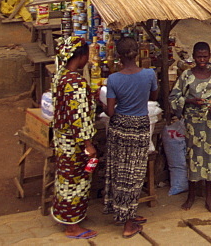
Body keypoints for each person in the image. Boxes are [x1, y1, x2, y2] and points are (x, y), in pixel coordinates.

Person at [104, 37, 158, 238]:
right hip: (140, 127)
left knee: (120, 172)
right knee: (134, 174)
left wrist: (102, 104)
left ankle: (126, 216)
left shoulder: (114, 79)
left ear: (118, 56)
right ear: (137, 53)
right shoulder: (149, 74)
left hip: (120, 127)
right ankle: (128, 219)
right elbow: (154, 96)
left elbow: (110, 112)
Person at [170, 42, 211, 214]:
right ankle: (192, 195)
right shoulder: (186, 75)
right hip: (193, 125)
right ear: (193, 57)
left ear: (209, 56)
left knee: (209, 160)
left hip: (210, 124)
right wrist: (188, 101)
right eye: (198, 57)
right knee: (192, 159)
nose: (202, 60)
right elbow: (173, 97)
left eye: (205, 56)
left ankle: (209, 198)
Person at [50, 37, 98, 239]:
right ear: (82, 56)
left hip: (62, 138)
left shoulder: (60, 76)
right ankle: (72, 226)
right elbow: (80, 118)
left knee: (64, 178)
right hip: (74, 142)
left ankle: (65, 215)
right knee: (76, 180)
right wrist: (88, 144)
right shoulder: (76, 83)